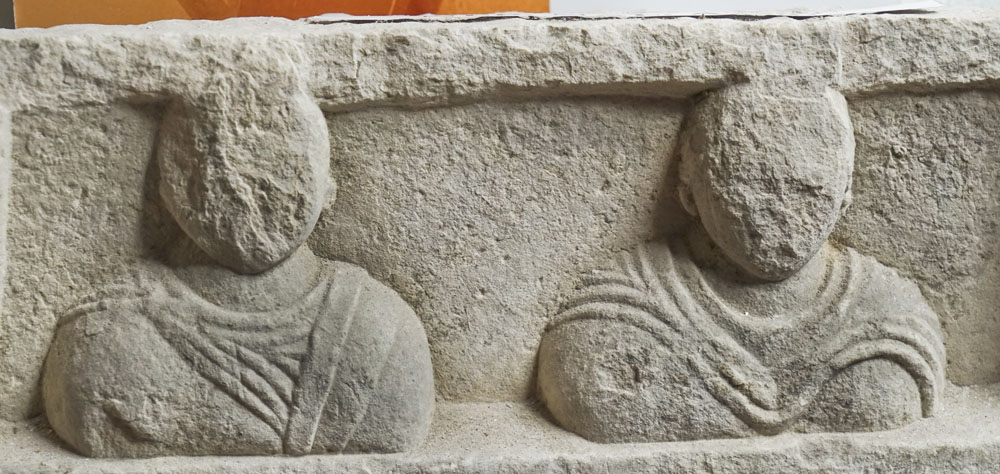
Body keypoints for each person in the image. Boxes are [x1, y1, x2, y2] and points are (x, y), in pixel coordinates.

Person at [537, 84, 945, 443]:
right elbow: (587, 392)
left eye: (809, 190)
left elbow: (898, 396)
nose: (780, 213)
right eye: (751, 185)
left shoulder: (886, 311)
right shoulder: (628, 301)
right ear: (689, 190)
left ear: (844, 197)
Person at [42, 91, 434, 457]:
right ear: (166, 190)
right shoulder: (108, 331)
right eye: (217, 163)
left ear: (328, 188)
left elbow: (398, 424)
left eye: (281, 164)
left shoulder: (382, 332)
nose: (245, 183)